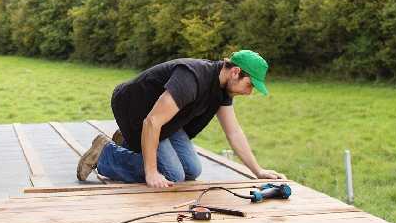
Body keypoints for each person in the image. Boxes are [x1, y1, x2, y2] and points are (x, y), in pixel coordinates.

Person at [77, 49, 282, 188]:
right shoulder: (192, 78)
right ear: (235, 72)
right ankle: (105, 154)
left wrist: (258, 170)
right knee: (173, 174)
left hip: (166, 120)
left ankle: (131, 143)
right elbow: (151, 122)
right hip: (135, 108)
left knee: (192, 170)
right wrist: (150, 172)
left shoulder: (222, 90)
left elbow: (234, 132)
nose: (249, 92)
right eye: (250, 85)